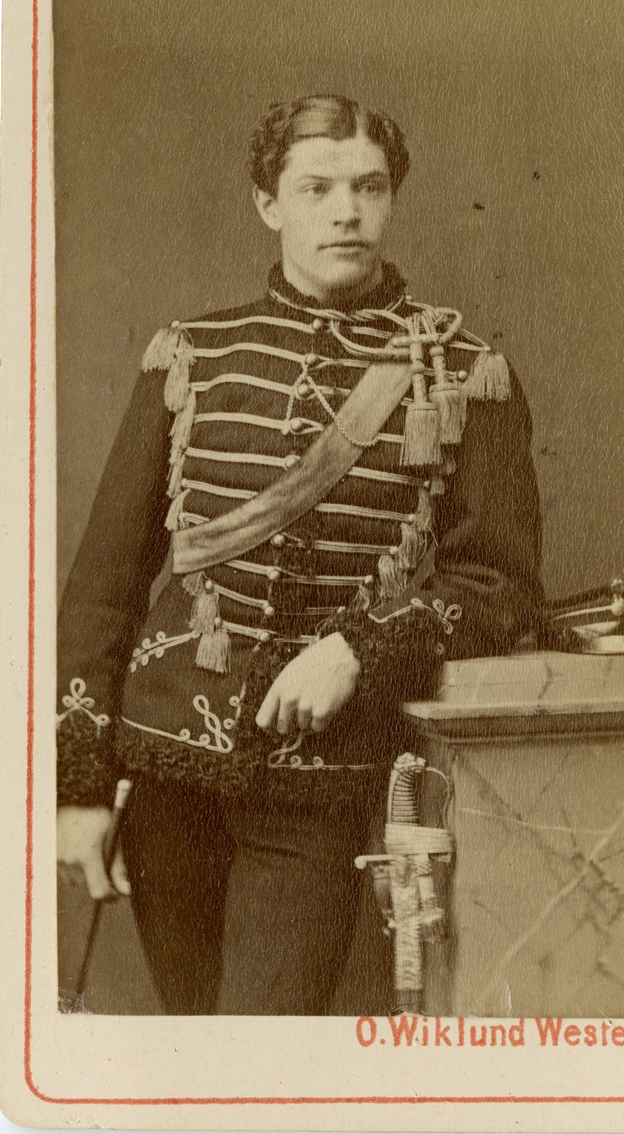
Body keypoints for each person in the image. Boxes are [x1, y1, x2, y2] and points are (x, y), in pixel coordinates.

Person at [56, 95, 543, 1015]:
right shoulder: (192, 356)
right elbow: (102, 590)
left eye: (369, 187)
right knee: (196, 1042)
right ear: (268, 203)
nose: (346, 212)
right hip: (164, 774)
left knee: (263, 1041)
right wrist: (77, 788)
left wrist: (358, 648)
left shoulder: (467, 371)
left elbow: (500, 585)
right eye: (317, 188)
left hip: (325, 782)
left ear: (391, 198)